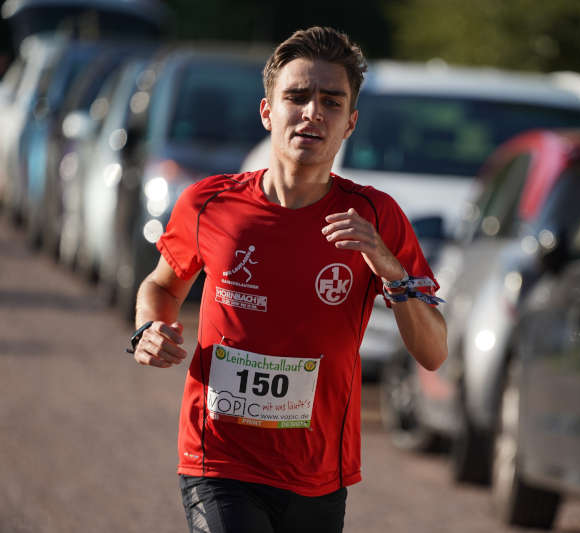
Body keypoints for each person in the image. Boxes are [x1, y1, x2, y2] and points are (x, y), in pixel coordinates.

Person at [127, 26, 447, 533]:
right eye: (296, 97)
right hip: (219, 458)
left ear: (350, 123)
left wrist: (391, 270)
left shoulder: (375, 217)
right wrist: (148, 328)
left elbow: (433, 352)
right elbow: (163, 286)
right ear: (267, 111)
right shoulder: (209, 202)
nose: (312, 112)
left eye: (331, 102)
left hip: (318, 472)